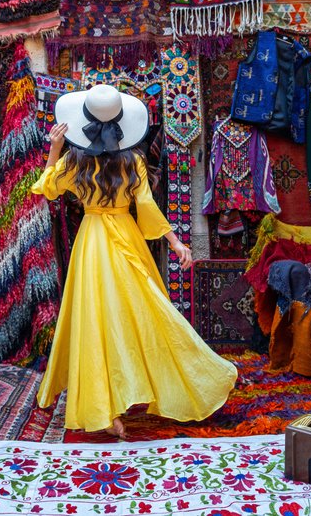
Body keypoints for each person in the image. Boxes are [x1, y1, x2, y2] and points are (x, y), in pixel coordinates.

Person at [31, 84, 237, 438]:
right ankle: (183, 381)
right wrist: (175, 243)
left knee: (96, 321)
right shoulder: (134, 160)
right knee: (145, 312)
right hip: (125, 237)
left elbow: (47, 188)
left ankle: (107, 407)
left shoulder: (72, 161)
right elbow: (147, 207)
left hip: (93, 242)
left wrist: (54, 149)